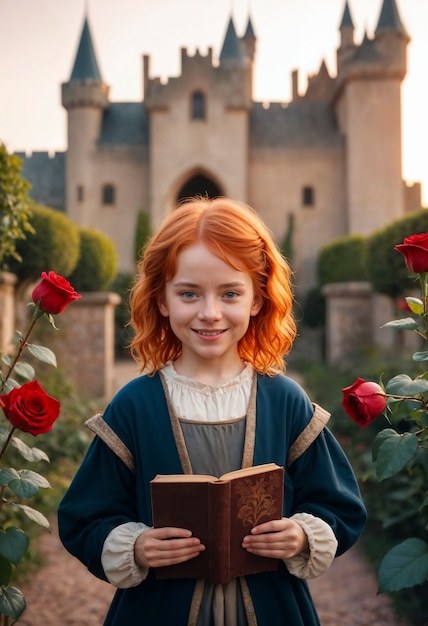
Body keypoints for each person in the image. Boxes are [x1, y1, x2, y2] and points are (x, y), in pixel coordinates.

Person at [58, 196, 367, 626]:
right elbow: (83, 518)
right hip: (156, 610)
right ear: (162, 300)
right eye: (189, 293)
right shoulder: (134, 405)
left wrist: (299, 534)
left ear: (257, 299)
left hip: (275, 607)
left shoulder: (285, 401)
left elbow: (340, 506)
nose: (209, 312)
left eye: (230, 293)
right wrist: (136, 547)